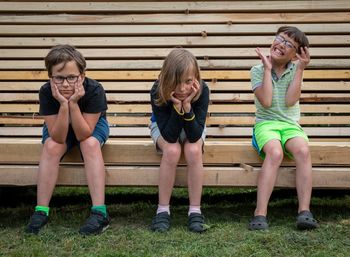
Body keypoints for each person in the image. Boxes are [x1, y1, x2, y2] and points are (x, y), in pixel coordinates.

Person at [25, 44, 110, 235]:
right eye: (59, 78)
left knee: (90, 144)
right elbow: (59, 136)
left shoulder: (95, 90)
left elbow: (83, 134)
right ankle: (41, 210)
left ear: (82, 76)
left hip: (90, 126)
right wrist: (64, 105)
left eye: (71, 77)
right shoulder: (47, 92)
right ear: (50, 77)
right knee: (51, 146)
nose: (65, 84)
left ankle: (100, 212)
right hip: (59, 126)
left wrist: (73, 103)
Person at [248, 26, 319, 230]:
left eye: (289, 44)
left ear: (295, 55)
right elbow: (267, 102)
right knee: (275, 152)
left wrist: (301, 69)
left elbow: (290, 101)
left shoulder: (295, 70)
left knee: (303, 150)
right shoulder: (257, 70)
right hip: (266, 124)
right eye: (280, 39)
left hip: (289, 124)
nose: (281, 44)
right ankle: (260, 213)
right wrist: (268, 69)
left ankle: (304, 211)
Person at [149, 48, 210, 233]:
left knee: (193, 150)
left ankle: (195, 210)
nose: (183, 88)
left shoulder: (203, 90)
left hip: (194, 127)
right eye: (176, 82)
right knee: (172, 150)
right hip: (164, 127)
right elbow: (169, 136)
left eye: (188, 81)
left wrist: (188, 105)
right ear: (167, 79)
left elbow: (194, 135)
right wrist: (177, 106)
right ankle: (163, 210)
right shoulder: (157, 90)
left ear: (196, 78)